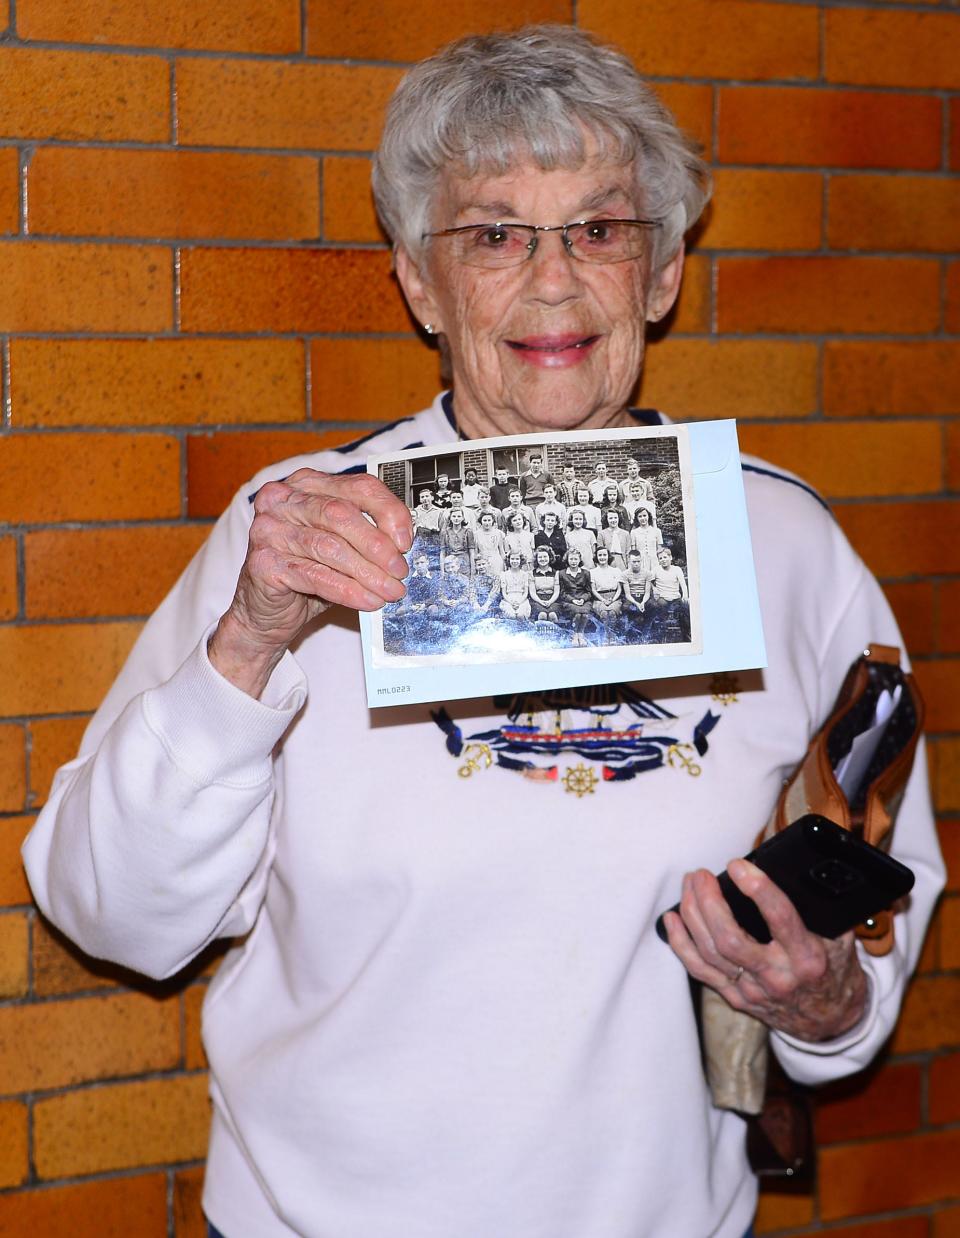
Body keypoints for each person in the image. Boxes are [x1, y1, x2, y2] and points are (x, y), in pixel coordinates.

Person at [22, 24, 942, 1238]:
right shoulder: (299, 532)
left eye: (600, 230)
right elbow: (110, 913)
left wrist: (825, 1004)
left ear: (661, 273)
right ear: (419, 281)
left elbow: (879, 905)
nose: (552, 280)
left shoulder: (783, 545)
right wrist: (248, 640)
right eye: (495, 234)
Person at [557, 545, 593, 645]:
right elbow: (562, 592)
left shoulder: (586, 573)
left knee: (584, 613)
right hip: (569, 601)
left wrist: (582, 599)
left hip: (583, 600)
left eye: (576, 559)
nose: (573, 561)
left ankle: (581, 634)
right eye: (571, 559)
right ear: (567, 560)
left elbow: (589, 591)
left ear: (579, 560)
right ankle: (574, 634)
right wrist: (572, 600)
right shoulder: (561, 573)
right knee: (577, 613)